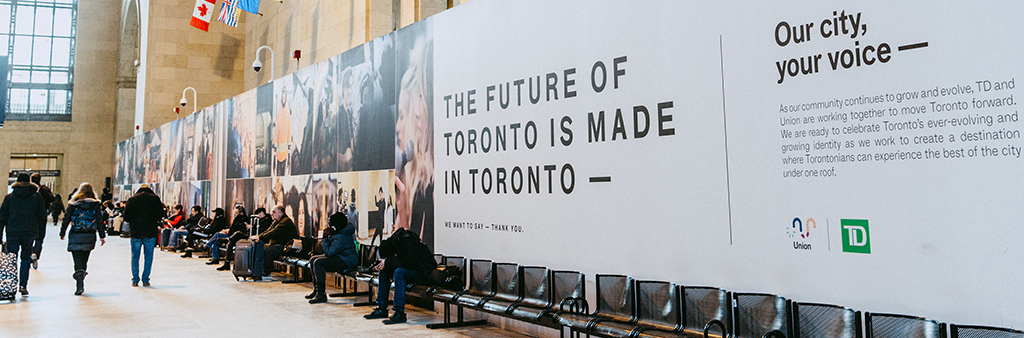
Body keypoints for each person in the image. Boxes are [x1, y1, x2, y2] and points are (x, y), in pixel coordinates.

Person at [363, 228, 436, 324]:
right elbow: (401, 262)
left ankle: (399, 313)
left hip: (423, 273)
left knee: (399, 272)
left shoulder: (409, 243)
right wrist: (385, 264)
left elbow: (409, 264)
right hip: (413, 270)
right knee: (384, 270)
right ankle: (382, 308)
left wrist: (389, 262)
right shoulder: (395, 243)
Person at [0, 173, 47, 296]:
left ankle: (12, 285)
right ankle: (23, 285)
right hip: (29, 232)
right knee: (25, 258)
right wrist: (40, 235)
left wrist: (0, 236)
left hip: (12, 232)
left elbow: (2, 218)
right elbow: (42, 217)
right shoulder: (36, 197)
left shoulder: (10, 197)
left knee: (12, 258)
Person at [60, 183, 107, 295]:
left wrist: (62, 232)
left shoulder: (73, 204)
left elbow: (66, 218)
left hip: (76, 233)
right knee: (85, 259)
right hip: (89, 234)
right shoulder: (95, 204)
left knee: (77, 260)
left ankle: (79, 283)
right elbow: (99, 220)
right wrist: (102, 236)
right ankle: (81, 281)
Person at [307, 212, 357, 304]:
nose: (328, 226)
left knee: (318, 262)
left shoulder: (342, 236)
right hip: (340, 257)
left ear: (335, 226)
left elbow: (330, 252)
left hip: (347, 261)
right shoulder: (338, 232)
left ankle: (321, 294)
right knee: (313, 259)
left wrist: (325, 238)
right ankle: (317, 290)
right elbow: (324, 251)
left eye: (330, 224)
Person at [122, 184, 164, 287]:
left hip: (136, 232)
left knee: (135, 256)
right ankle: (145, 280)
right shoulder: (155, 199)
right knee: (148, 256)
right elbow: (161, 215)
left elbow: (126, 217)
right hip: (150, 231)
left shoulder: (132, 199)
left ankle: (135, 280)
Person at [251, 205, 298, 276]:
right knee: (262, 248)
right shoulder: (276, 221)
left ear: (280, 213)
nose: (271, 214)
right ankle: (256, 270)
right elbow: (268, 231)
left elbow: (274, 232)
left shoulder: (286, 221)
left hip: (287, 246)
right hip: (279, 245)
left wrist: (260, 237)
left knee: (269, 251)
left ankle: (267, 272)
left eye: (274, 212)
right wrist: (259, 236)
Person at [30, 174, 54, 270]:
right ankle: (36, 253)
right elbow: (52, 199)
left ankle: (30, 254)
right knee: (40, 237)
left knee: (29, 237)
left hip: (31, 216)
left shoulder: (29, 190)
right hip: (42, 215)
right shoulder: (45, 189)